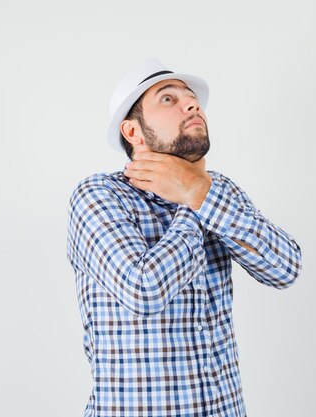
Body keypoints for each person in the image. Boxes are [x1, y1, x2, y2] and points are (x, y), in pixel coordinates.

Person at [66, 58, 303, 417]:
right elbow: (144, 290)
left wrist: (199, 192)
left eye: (191, 98)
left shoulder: (217, 191)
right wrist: (193, 200)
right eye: (167, 99)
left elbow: (285, 269)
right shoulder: (98, 196)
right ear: (133, 132)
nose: (191, 105)